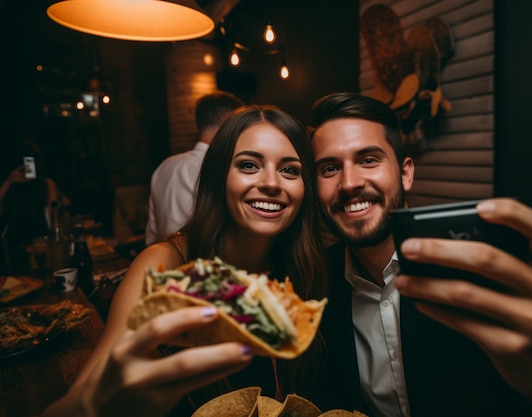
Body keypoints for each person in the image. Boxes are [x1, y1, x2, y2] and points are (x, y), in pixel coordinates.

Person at [308, 92, 532, 417]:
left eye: (368, 160)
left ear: (406, 174)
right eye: (330, 168)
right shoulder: (314, 288)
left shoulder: (473, 273)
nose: (349, 183)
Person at [41, 105, 328, 417]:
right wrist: (88, 407)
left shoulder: (304, 270)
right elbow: (92, 390)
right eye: (248, 165)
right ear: (219, 177)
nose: (272, 182)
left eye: (290, 170)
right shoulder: (164, 265)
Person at [145, 91, 245, 245]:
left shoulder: (164, 166)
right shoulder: (221, 166)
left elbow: (152, 231)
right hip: (203, 264)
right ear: (229, 124)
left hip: (162, 261)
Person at [0, 140, 59, 274]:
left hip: (42, 249)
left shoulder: (46, 185)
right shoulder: (10, 189)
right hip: (16, 255)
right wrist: (9, 182)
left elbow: (53, 220)